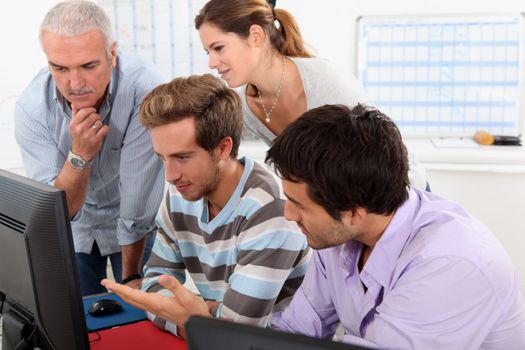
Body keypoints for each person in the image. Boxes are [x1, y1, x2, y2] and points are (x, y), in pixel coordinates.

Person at [265, 104, 525, 349]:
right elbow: (295, 331)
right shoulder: (337, 234)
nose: (288, 214)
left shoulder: (449, 262)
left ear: (355, 212)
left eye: (298, 204)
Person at [102, 74, 310, 338]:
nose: (170, 175)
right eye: (162, 158)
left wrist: (192, 318)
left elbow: (235, 332)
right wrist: (198, 319)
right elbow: (154, 283)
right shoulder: (181, 194)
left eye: (182, 157)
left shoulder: (271, 212)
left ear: (222, 148)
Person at [14, 1, 165, 295]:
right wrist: (79, 155)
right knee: (83, 321)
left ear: (112, 53)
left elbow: (137, 200)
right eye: (59, 68)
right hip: (78, 228)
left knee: (147, 315)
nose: (74, 83)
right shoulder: (32, 109)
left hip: (139, 224)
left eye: (88, 65)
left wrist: (131, 277)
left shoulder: (145, 89)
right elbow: (57, 212)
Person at [194, 0, 427, 189]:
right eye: (207, 52)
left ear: (256, 35)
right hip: (345, 204)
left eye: (219, 48)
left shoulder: (326, 81)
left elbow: (383, 157)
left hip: (399, 190)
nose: (212, 62)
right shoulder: (245, 106)